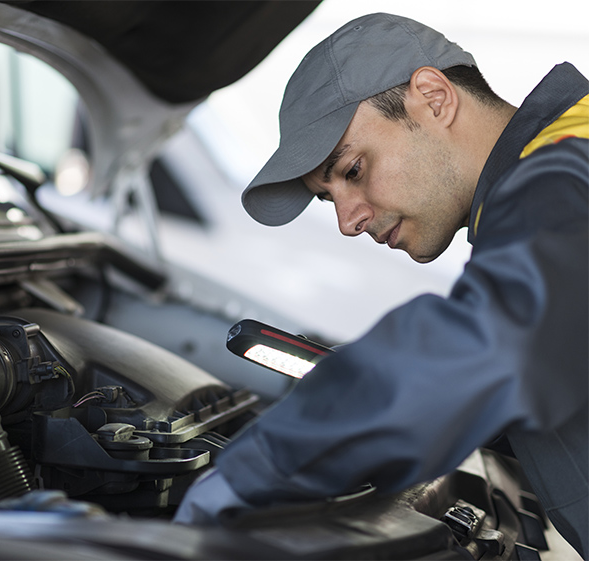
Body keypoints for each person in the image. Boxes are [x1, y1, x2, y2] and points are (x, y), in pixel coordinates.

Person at [174, 12, 589, 557]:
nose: (348, 221)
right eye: (330, 198)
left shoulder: (564, 175)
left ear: (434, 97)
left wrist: (256, 468)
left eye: (352, 171)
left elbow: (494, 350)